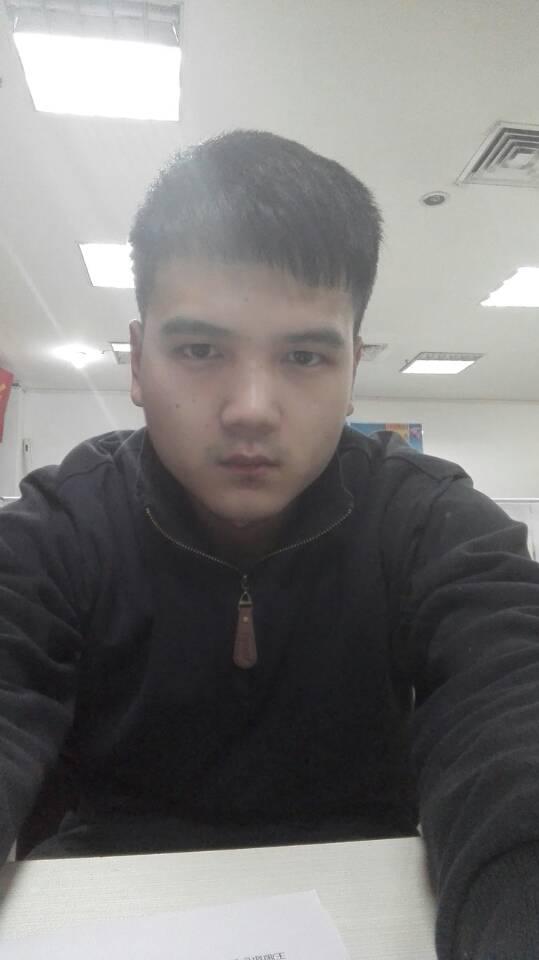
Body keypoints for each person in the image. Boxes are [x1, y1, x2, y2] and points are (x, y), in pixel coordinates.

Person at [1, 130, 539, 959]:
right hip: (111, 900)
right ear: (138, 363)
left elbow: (514, 723)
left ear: (352, 368)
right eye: (200, 350)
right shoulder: (60, 528)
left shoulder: (427, 521)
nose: (251, 407)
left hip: (371, 904)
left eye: (303, 355)